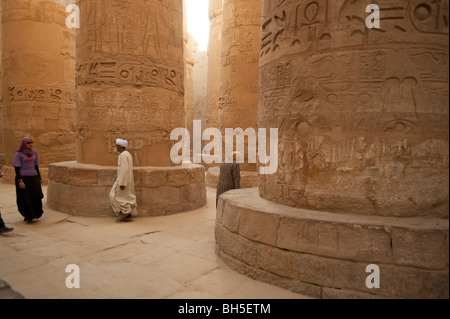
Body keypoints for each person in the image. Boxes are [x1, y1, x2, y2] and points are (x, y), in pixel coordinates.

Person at [13, 137, 44, 224]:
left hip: (34, 177)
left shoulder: (34, 152)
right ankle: (28, 216)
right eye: (28, 143)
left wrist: (39, 178)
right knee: (26, 198)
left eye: (31, 142)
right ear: (24, 144)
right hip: (24, 178)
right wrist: (20, 181)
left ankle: (36, 214)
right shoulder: (18, 154)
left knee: (36, 196)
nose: (30, 144)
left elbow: (36, 166)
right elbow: (17, 168)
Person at [109, 138, 138, 222]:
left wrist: (122, 183)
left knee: (113, 196)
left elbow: (124, 169)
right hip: (126, 180)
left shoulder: (123, 155)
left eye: (116, 145)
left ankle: (125, 212)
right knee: (124, 198)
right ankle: (127, 216)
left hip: (123, 181)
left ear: (119, 146)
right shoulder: (127, 154)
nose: (116, 147)